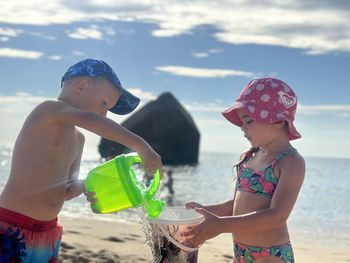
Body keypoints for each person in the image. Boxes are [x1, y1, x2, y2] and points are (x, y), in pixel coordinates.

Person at [0, 58, 162, 262]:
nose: (105, 114)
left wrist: (88, 185)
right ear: (81, 85)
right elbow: (92, 120)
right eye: (104, 103)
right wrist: (142, 146)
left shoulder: (79, 139)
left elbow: (66, 190)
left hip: (48, 231)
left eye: (108, 109)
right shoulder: (48, 111)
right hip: (12, 224)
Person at [184, 78, 305, 263]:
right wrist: (205, 211)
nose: (242, 127)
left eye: (248, 121)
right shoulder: (248, 157)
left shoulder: (291, 162)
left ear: (278, 121)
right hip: (240, 252)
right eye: (242, 121)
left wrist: (220, 225)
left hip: (270, 255)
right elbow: (239, 205)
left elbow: (277, 216)